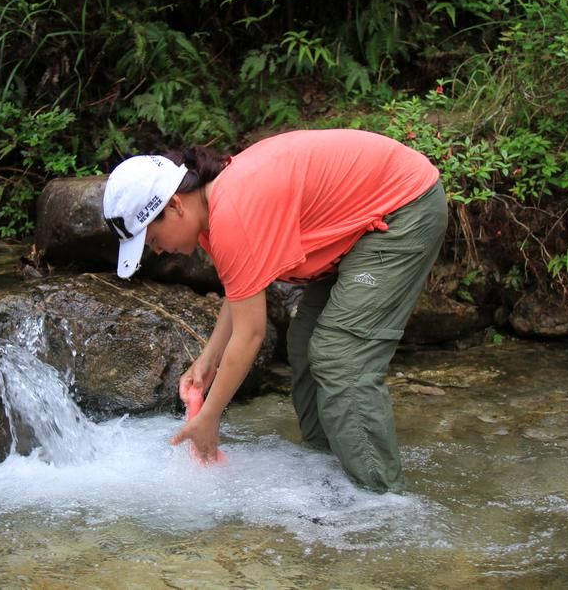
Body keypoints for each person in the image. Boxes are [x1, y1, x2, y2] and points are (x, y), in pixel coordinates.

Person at [101, 129, 447, 493]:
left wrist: (210, 416)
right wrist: (208, 361)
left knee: (341, 356)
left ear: (174, 205)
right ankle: (332, 471)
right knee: (304, 342)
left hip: (405, 208)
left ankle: (380, 499)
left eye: (153, 240)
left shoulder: (233, 210)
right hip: (363, 224)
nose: (156, 251)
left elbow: (251, 334)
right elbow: (242, 296)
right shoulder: (215, 209)